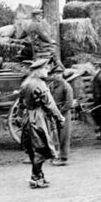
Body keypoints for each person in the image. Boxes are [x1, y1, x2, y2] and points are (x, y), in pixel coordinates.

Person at [19, 58, 65, 189]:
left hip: (28, 116)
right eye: (45, 68)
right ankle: (35, 178)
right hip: (38, 118)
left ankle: (39, 176)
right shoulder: (40, 84)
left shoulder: (26, 83)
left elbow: (21, 103)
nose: (48, 70)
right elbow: (49, 104)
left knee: (34, 149)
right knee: (41, 147)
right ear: (39, 71)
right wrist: (59, 117)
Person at [47, 63, 74, 166]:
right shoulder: (51, 86)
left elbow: (69, 103)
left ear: (62, 74)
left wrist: (59, 113)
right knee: (55, 135)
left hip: (64, 113)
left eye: (59, 73)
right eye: (55, 74)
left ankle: (63, 157)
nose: (57, 76)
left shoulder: (66, 86)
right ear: (52, 75)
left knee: (64, 135)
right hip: (54, 111)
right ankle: (56, 155)